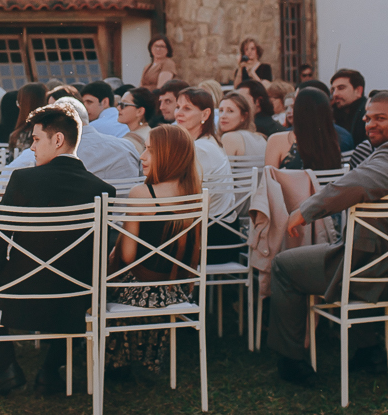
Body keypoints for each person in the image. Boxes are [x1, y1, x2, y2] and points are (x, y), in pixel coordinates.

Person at [269, 91, 388, 385]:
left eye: (380, 118)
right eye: (367, 118)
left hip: (375, 269)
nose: (370, 124)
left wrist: (306, 210)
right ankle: (368, 351)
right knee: (346, 247)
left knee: (284, 265)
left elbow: (359, 183)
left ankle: (292, 361)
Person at [0, 101, 115, 395]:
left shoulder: (22, 180)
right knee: (72, 278)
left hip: (19, 296)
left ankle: (7, 366)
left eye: (35, 139)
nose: (31, 148)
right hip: (76, 298)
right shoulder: (103, 190)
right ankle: (49, 370)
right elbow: (99, 257)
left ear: (57, 140)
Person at [104, 124, 201, 376]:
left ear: (169, 155)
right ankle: (149, 357)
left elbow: (127, 257)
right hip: (177, 290)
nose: (142, 156)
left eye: (149, 151)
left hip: (139, 291)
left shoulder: (141, 194)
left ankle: (117, 359)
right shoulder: (194, 192)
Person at [172, 88, 232, 251]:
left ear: (205, 115)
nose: (178, 113)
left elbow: (179, 195)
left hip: (210, 239)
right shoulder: (206, 142)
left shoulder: (201, 148)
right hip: (215, 230)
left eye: (187, 108)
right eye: (178, 107)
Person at [265, 88, 342, 171]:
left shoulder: (277, 140)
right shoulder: (333, 144)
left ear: (298, 111)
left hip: (292, 183)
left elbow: (268, 180)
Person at [219, 92, 267, 158]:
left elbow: (224, 168)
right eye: (221, 110)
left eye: (230, 111)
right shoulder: (261, 138)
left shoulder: (229, 137)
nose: (223, 116)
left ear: (244, 116)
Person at [8, 83, 49, 155]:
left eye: (19, 102)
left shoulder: (20, 135)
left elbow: (13, 163)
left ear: (24, 104)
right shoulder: (53, 130)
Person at [329, 69, 367, 146]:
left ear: (358, 91)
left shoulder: (367, 115)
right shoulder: (336, 113)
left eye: (341, 88)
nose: (335, 94)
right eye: (333, 90)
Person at [117, 86, 155, 155]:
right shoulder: (150, 132)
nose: (118, 108)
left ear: (140, 111)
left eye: (124, 105)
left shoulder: (131, 142)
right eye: (119, 104)